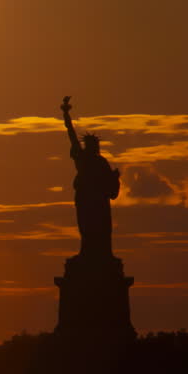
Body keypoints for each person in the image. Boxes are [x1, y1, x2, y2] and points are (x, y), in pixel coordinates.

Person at [61, 97, 120, 258]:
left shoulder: (101, 162)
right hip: (86, 199)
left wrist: (115, 178)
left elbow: (111, 190)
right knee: (87, 227)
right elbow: (71, 134)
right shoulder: (82, 157)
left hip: (98, 201)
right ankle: (87, 252)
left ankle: (101, 254)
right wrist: (66, 115)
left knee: (101, 228)